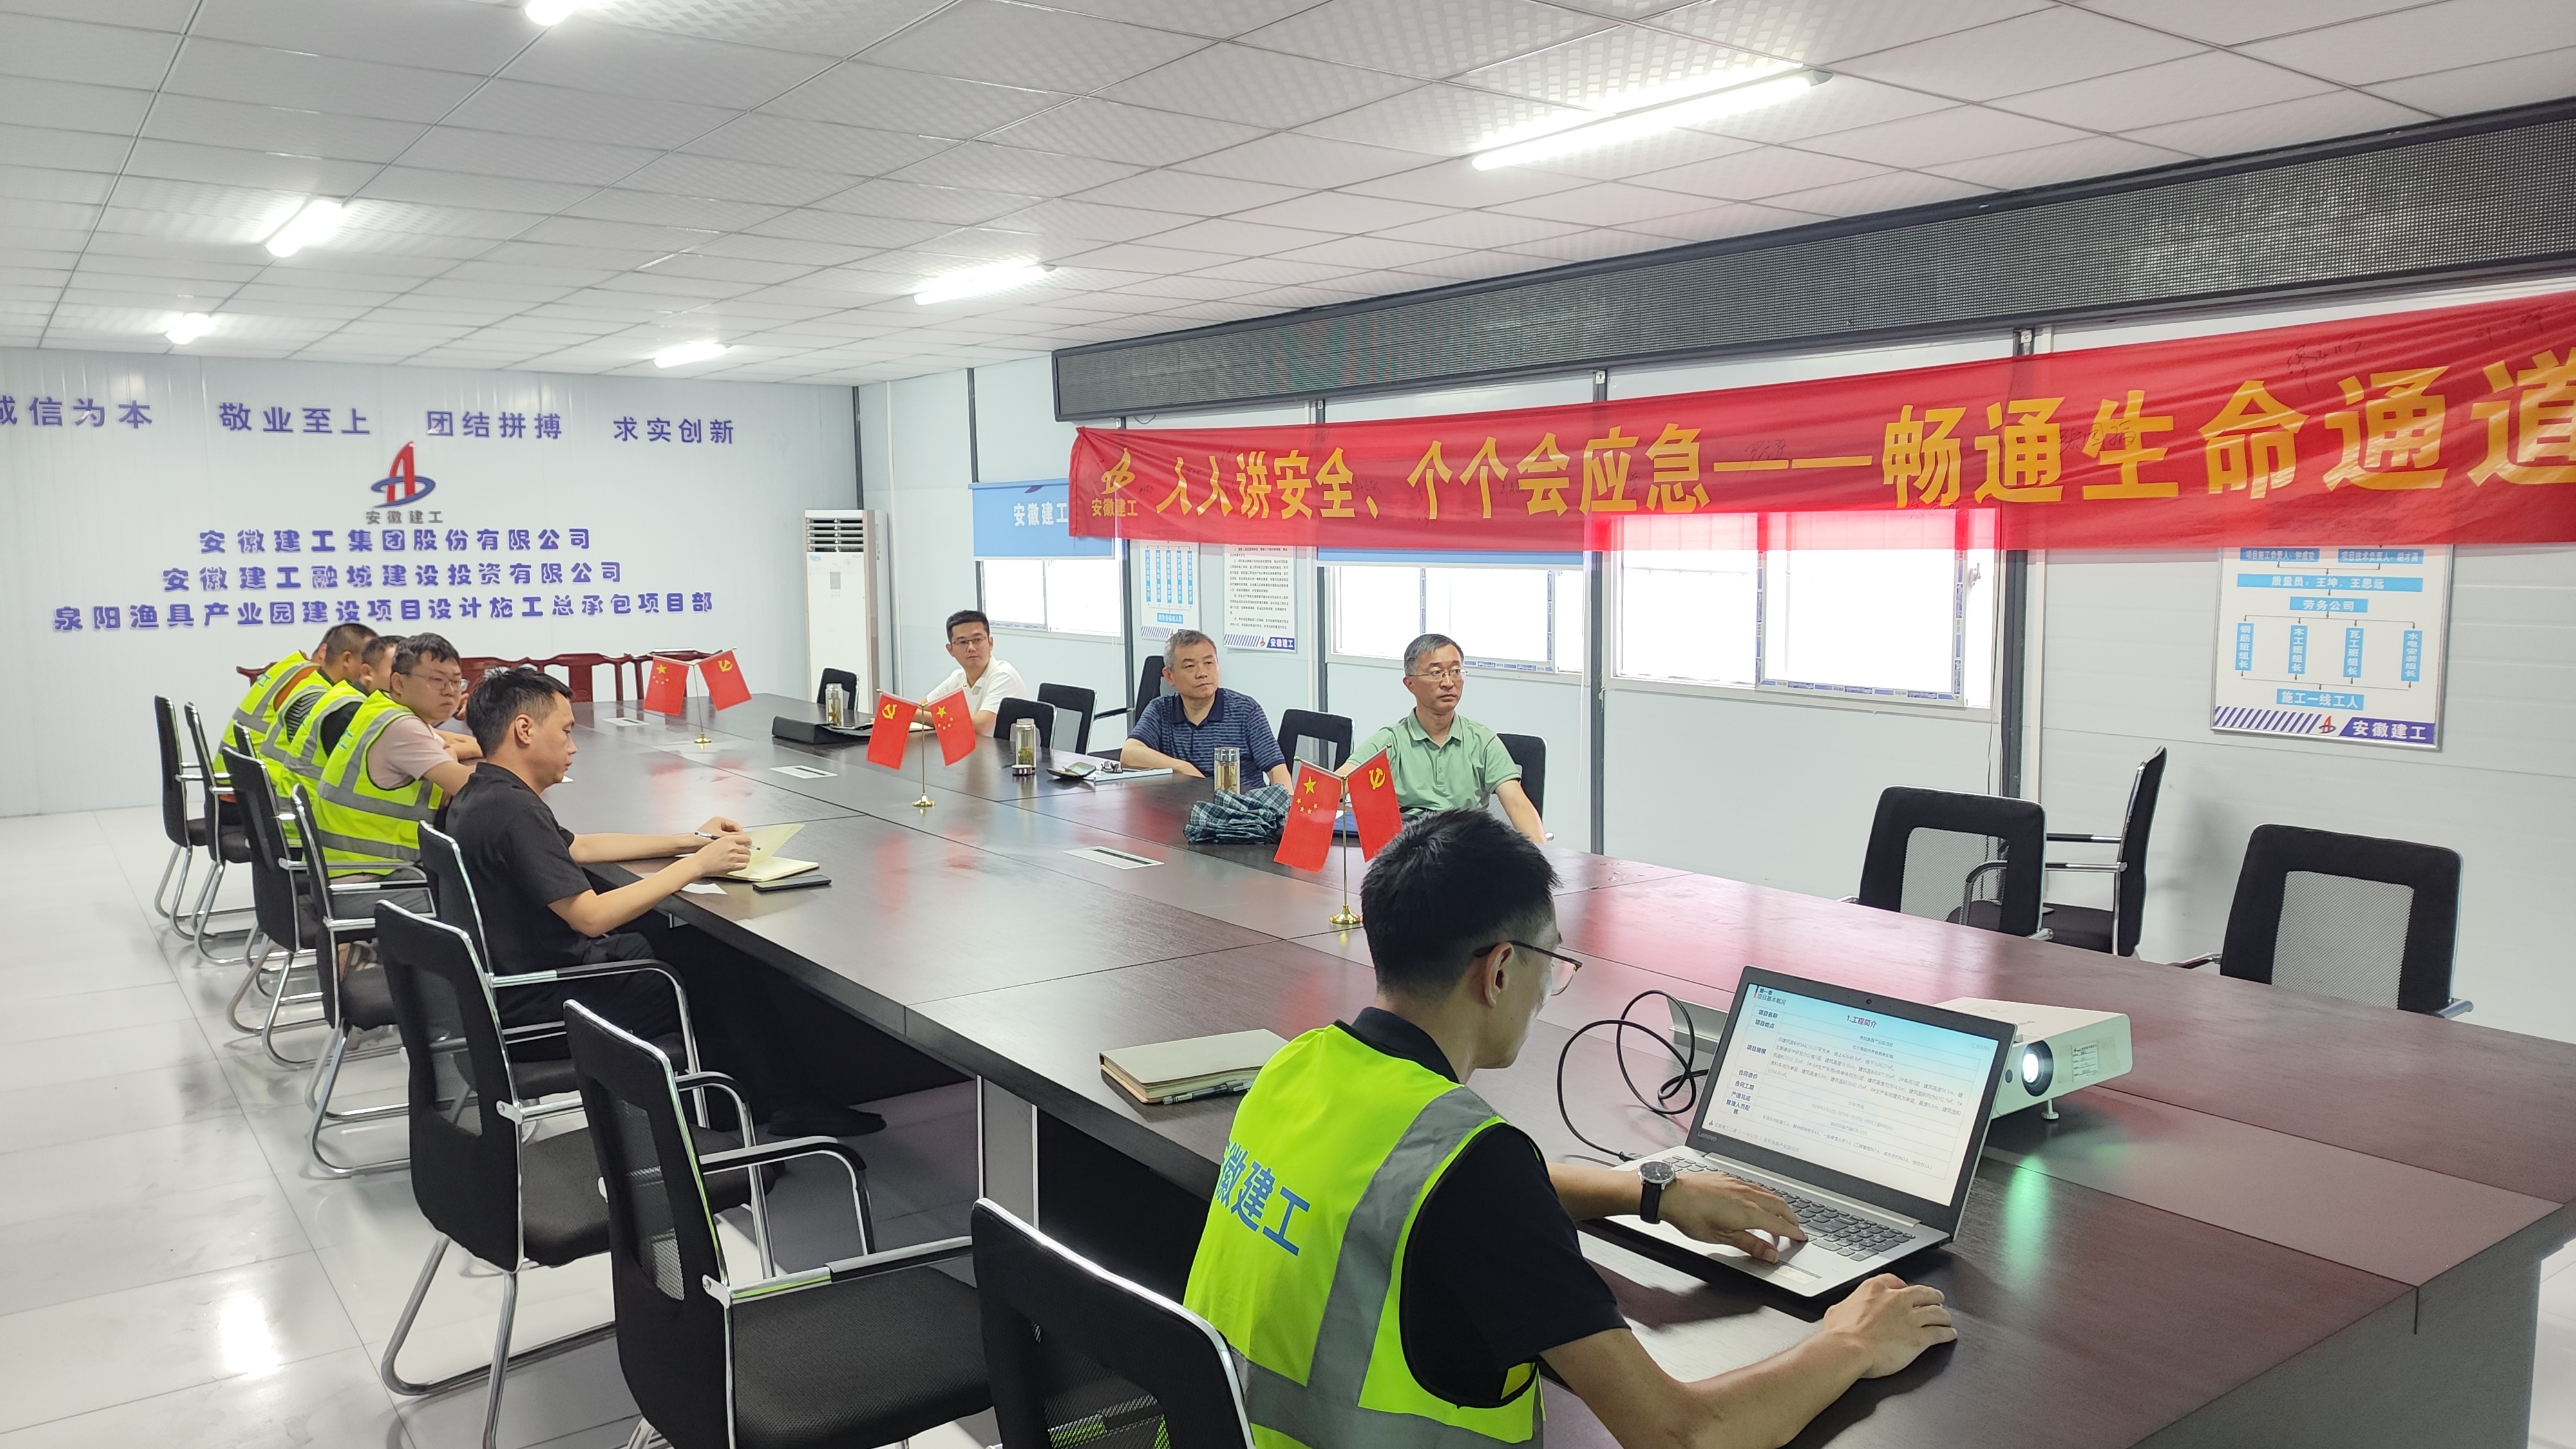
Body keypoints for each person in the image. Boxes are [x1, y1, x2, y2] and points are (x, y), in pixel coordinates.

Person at [1183, 810, 1955, 1449]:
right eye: (1550, 962)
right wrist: (1849, 1342)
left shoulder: (1298, 1067)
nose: (1549, 984)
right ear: (1498, 971)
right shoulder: (1474, 1169)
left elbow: (1413, 1191)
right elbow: (1682, 1434)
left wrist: (1651, 1193)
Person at [442, 667, 886, 1139]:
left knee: (708, 952)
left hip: (513, 993)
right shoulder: (516, 811)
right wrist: (696, 866)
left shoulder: (482, 793)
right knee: (719, 975)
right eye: (566, 731)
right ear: (524, 730)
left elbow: (579, 847)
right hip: (548, 1009)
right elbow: (591, 917)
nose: (573, 747)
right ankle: (740, 1123)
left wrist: (692, 842)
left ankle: (765, 1108)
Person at [308, 633, 481, 876]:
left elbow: (449, 750)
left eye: (456, 682)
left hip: (349, 866)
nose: (449, 692)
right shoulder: (402, 727)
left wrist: (449, 753)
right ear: (399, 682)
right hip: (365, 877)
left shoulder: (382, 707)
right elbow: (472, 788)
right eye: (437, 680)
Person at [1352, 633, 1545, 845]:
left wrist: (1541, 854)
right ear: (1410, 684)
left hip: (1467, 847)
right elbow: (1340, 781)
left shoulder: (1483, 742)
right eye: (1436, 673)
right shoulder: (1391, 741)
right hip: (1410, 849)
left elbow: (1517, 804)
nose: (1448, 683)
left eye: (1456, 671)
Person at [1119, 629, 1290, 786]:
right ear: (1170, 676)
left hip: (1241, 807)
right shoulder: (1161, 710)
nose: (1202, 673)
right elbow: (1130, 754)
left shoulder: (1245, 711)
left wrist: (1287, 806)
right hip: (1181, 805)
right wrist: (1182, 768)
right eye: (1190, 666)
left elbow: (1277, 770)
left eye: (1209, 663)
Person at [920, 609, 1026, 734]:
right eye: (962, 642)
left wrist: (917, 716)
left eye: (977, 640)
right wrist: (911, 713)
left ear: (990, 643)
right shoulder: (957, 678)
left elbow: (979, 727)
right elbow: (919, 707)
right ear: (951, 650)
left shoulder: (1004, 676)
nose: (971, 648)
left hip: (999, 748)